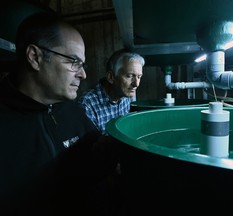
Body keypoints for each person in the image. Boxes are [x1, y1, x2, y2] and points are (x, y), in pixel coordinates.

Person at [0, 12, 119, 215]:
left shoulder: (71, 109)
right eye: (73, 61)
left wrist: (110, 153)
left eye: (83, 64)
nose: (83, 74)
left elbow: (87, 170)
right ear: (35, 57)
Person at [77, 49, 145, 135]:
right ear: (111, 77)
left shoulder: (126, 94)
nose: (136, 84)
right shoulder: (87, 104)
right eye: (129, 76)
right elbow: (90, 146)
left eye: (139, 77)